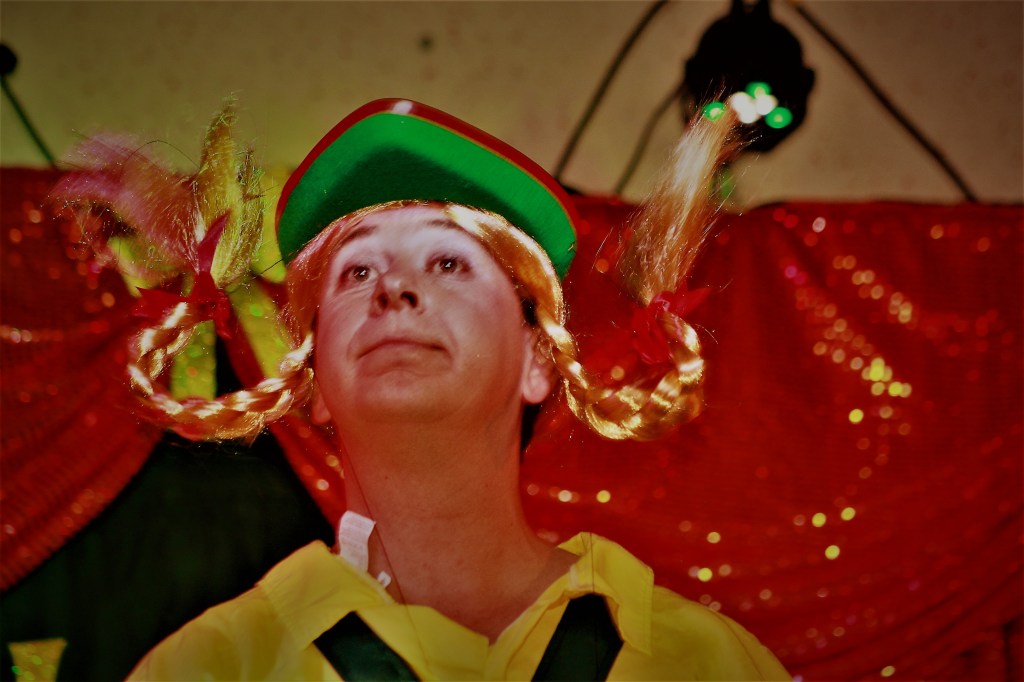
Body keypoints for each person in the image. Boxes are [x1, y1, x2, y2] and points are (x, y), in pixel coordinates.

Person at [118, 99, 788, 680]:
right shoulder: (209, 666)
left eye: (447, 261)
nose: (393, 286)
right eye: (356, 272)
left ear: (537, 358)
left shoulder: (702, 663)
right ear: (315, 380)